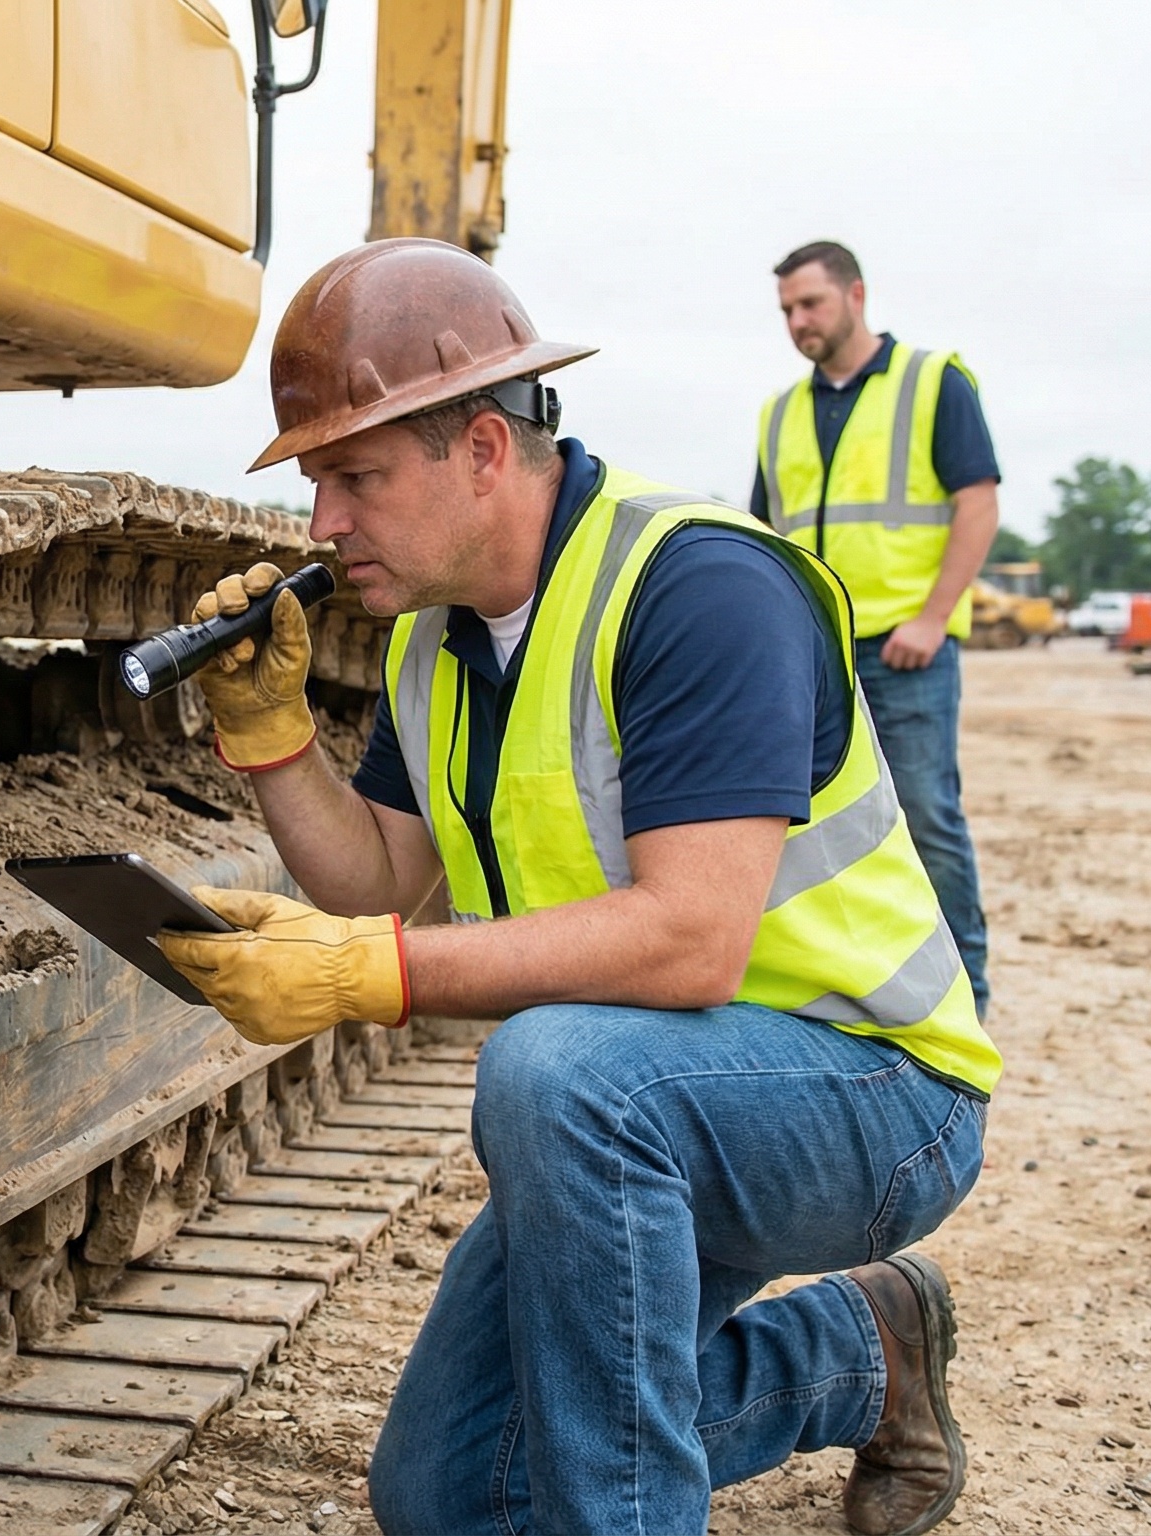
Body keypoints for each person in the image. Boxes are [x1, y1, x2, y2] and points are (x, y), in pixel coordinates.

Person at [153, 239, 1001, 1536]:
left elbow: (692, 944)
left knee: (550, 1076)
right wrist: (273, 744)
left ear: (485, 450)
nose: (323, 524)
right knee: (446, 1490)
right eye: (319, 482)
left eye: (356, 477)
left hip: (871, 1087)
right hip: (659, 1098)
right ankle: (861, 1352)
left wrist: (368, 974)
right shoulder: (435, 645)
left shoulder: (697, 587)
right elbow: (379, 881)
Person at [752, 240, 999, 1017]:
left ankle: (965, 1001)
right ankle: (850, 992)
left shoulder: (934, 383)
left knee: (926, 817)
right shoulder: (780, 413)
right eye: (787, 309)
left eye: (811, 304)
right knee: (809, 830)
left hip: (906, 652)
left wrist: (932, 618)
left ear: (857, 296)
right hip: (816, 656)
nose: (798, 321)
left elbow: (978, 504)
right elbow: (765, 536)